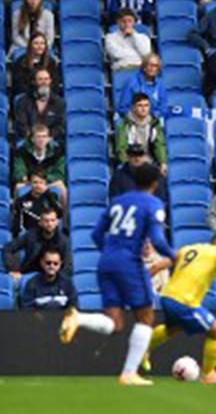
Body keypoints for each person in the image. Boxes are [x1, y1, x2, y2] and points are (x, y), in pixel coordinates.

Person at [58, 164, 174, 386]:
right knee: (146, 317)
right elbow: (158, 240)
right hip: (129, 263)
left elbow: (95, 234)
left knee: (115, 323)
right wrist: (173, 255)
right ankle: (129, 373)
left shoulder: (118, 202)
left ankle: (78, 318)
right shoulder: (153, 204)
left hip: (106, 262)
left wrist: (111, 253)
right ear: (155, 183)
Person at [143, 236, 216, 384]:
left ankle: (143, 347)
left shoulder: (188, 249)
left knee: (172, 329)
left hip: (167, 297)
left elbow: (157, 266)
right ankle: (208, 374)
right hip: (184, 301)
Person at [12, 122, 66, 198]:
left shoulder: (57, 152)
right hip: (30, 182)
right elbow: (18, 171)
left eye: (44, 136)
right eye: (38, 137)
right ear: (32, 139)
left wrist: (44, 180)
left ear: (48, 139)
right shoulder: (22, 151)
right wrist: (29, 179)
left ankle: (64, 210)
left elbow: (60, 173)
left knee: (61, 186)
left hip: (48, 182)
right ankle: (16, 209)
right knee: (18, 186)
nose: (41, 140)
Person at [114, 93, 167, 169]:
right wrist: (128, 163)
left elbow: (159, 145)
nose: (144, 109)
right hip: (130, 162)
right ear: (133, 107)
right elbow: (121, 148)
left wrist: (163, 162)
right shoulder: (125, 125)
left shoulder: (154, 124)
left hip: (149, 162)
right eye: (140, 105)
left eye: (146, 105)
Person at [15, 68, 66, 141]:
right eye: (40, 79)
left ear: (50, 81)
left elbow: (60, 126)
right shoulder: (23, 101)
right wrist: (34, 138)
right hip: (29, 140)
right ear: (34, 82)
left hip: (51, 140)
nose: (44, 82)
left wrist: (46, 138)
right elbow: (21, 125)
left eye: (46, 79)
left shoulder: (59, 102)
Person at [10, 171, 63, 236]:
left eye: (41, 182)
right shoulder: (21, 201)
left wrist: (48, 195)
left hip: (49, 235)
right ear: (29, 183)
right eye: (35, 182)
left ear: (45, 183)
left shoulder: (52, 197)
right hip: (30, 236)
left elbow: (60, 214)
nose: (38, 185)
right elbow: (17, 225)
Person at [12, 32, 60, 98]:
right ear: (30, 45)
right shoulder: (21, 62)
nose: (39, 46)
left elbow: (55, 84)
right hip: (27, 96)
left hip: (47, 96)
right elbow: (18, 85)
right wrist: (34, 93)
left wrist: (44, 93)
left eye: (42, 43)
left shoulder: (51, 62)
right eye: (36, 43)